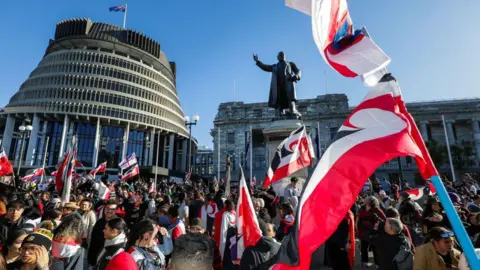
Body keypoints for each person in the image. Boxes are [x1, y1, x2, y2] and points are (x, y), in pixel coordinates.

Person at [253, 51, 302, 117]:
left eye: (283, 55)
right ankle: (281, 114)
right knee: (279, 100)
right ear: (277, 57)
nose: (282, 56)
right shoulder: (275, 66)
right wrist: (257, 61)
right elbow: (265, 67)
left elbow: (298, 70)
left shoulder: (290, 64)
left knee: (290, 99)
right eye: (280, 55)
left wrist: (297, 76)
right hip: (278, 86)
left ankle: (293, 111)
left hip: (288, 84)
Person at [88, 199, 117, 267]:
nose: (109, 211)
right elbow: (93, 241)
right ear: (104, 209)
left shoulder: (119, 224)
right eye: (107, 208)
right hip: (95, 260)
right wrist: (90, 259)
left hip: (108, 262)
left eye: (112, 209)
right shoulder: (99, 222)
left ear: (116, 210)